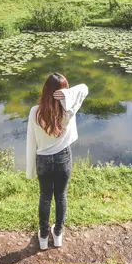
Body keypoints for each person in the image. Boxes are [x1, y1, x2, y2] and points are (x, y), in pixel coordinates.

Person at [26, 73, 88, 250]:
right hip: (63, 158)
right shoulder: (69, 111)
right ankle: (58, 234)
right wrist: (67, 95)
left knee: (45, 197)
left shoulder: (35, 112)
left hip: (43, 160)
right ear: (64, 92)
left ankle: (43, 237)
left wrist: (30, 169)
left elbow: (31, 141)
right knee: (61, 196)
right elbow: (84, 89)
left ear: (45, 91)